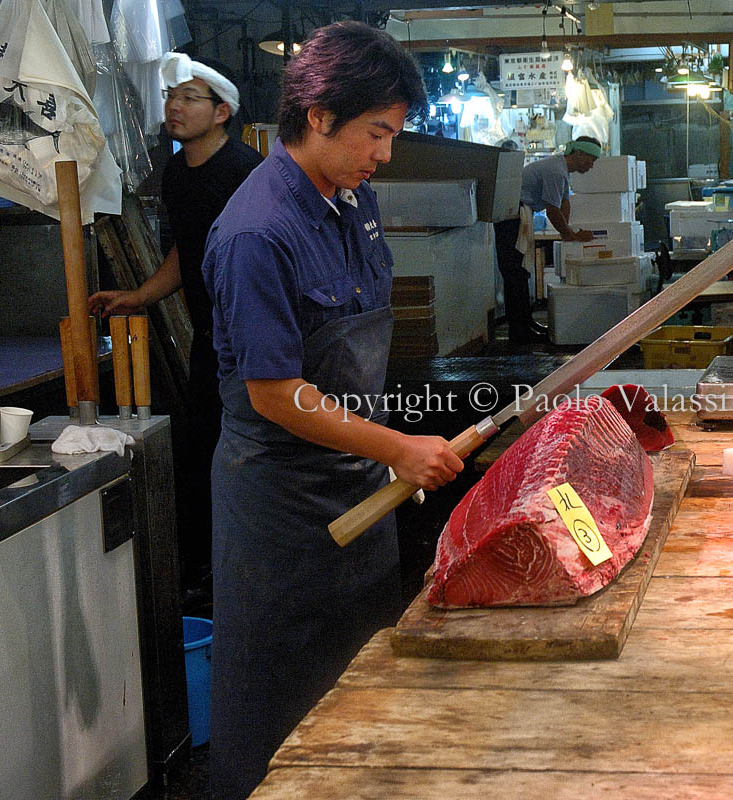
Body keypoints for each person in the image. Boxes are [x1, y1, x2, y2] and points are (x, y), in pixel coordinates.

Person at [200, 21, 464, 800]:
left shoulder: (353, 199)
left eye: (393, 133)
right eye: (376, 133)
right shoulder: (257, 232)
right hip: (279, 505)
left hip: (360, 486)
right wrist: (398, 445)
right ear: (318, 116)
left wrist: (385, 452)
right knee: (279, 710)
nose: (385, 153)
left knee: (363, 688)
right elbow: (274, 393)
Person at [87, 53, 262, 598]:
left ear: (222, 112)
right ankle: (207, 573)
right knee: (202, 449)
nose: (175, 107)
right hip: (210, 338)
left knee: (246, 453)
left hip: (253, 337)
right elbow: (185, 254)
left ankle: (241, 570)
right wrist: (138, 297)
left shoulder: (244, 172)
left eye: (189, 98)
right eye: (171, 98)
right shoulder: (175, 175)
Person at [494, 136, 600, 343]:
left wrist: (567, 233)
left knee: (522, 273)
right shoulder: (556, 171)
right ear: (578, 153)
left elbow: (563, 203)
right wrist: (570, 235)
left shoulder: (561, 169)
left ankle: (526, 323)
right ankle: (519, 332)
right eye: (591, 159)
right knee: (515, 274)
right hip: (511, 218)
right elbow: (552, 211)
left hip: (520, 216)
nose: (592, 165)